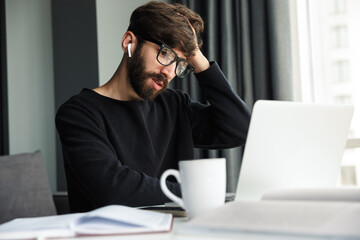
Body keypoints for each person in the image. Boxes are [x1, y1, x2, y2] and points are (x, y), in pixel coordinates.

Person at [56, 1, 251, 213]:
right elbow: (112, 189)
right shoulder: (78, 113)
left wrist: (197, 57)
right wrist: (194, 191)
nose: (170, 72)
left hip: (177, 232)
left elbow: (239, 129)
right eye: (165, 53)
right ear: (129, 42)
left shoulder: (175, 105)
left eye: (181, 63)